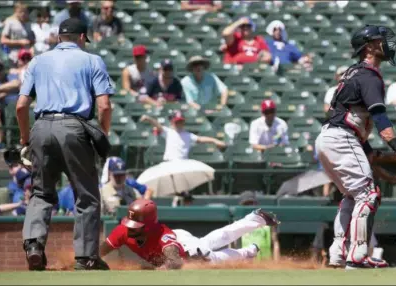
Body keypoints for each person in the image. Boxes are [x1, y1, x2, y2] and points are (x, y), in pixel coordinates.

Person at [17, 18, 113, 271]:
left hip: (40, 127)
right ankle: (85, 257)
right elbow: (104, 105)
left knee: (41, 193)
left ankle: (34, 245)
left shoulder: (38, 60)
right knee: (87, 196)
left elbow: (21, 105)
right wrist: (102, 134)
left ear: (59, 37)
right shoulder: (92, 60)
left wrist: (25, 137)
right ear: (82, 37)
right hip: (74, 128)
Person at [315, 25, 396, 269]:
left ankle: (338, 253)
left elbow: (355, 126)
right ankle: (358, 255)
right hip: (341, 137)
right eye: (380, 40)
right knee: (369, 194)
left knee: (353, 195)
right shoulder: (368, 75)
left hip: (330, 138)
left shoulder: (352, 73)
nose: (386, 44)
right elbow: (379, 116)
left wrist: (379, 162)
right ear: (369, 47)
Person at [99, 199, 279, 269]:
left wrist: (155, 269)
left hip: (185, 249)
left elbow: (175, 261)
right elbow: (103, 249)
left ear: (148, 225)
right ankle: (255, 220)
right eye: (130, 223)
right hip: (181, 241)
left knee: (210, 257)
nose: (130, 228)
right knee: (212, 240)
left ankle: (249, 250)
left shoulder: (163, 235)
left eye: (135, 225)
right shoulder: (124, 230)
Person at [140, 111, 226, 161]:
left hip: (183, 162)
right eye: (176, 122)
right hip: (169, 161)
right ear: (172, 122)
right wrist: (148, 118)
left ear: (184, 122)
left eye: (180, 122)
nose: (178, 124)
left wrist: (215, 141)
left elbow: (200, 139)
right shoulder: (168, 132)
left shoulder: (188, 135)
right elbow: (158, 125)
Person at [238, 191, 281, 261]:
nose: (249, 206)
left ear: (256, 204)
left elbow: (275, 243)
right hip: (245, 264)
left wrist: (277, 263)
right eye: (246, 204)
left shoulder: (267, 221)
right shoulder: (237, 224)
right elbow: (232, 247)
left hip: (265, 263)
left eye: (251, 203)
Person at [0, 60, 20, 152]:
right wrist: (11, 90)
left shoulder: (11, 76)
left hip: (16, 107)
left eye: (0, 69)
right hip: (0, 108)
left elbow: (17, 83)